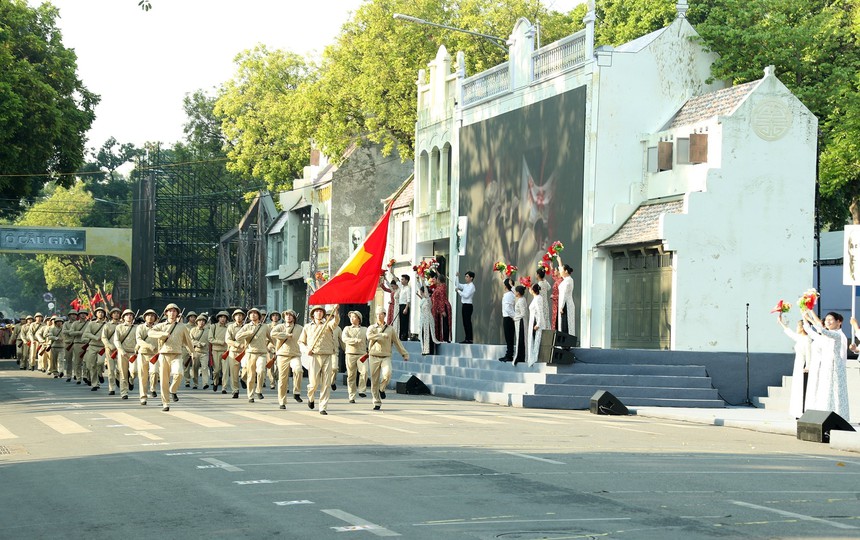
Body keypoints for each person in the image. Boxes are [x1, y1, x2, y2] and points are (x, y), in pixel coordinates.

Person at [802, 310, 850, 421]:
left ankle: (840, 417)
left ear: (838, 322)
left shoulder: (838, 335)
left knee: (837, 393)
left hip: (836, 368)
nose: (827, 322)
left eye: (830, 320)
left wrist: (809, 317)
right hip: (826, 366)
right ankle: (826, 415)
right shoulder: (826, 336)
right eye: (826, 320)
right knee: (826, 392)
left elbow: (822, 330)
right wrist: (804, 316)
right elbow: (810, 331)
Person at [148, 303, 195, 411]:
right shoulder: (161, 326)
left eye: (174, 311)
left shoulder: (182, 327)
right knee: (164, 380)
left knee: (179, 373)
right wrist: (162, 334)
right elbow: (150, 332)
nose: (172, 313)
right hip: (163, 355)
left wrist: (193, 352)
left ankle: (173, 390)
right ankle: (166, 403)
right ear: (166, 313)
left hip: (177, 354)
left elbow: (188, 341)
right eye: (170, 311)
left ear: (177, 314)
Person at [298, 305, 340, 415]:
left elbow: (335, 322)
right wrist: (306, 350)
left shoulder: (328, 325)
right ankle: (310, 397)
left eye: (321, 311)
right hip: (314, 356)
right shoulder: (307, 327)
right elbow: (301, 342)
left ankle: (323, 407)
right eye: (316, 311)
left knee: (326, 383)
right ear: (313, 314)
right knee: (313, 383)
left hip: (327, 355)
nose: (319, 313)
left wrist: (335, 312)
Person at [366, 306, 409, 410]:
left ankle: (382, 388)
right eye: (377, 314)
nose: (379, 316)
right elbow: (369, 336)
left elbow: (397, 342)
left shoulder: (390, 329)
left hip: (386, 356)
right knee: (374, 380)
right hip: (374, 356)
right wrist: (381, 336)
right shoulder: (372, 328)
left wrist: (404, 354)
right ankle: (376, 402)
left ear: (385, 315)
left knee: (387, 373)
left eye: (381, 314)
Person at [235, 307, 272, 403]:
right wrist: (248, 333)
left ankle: (259, 390)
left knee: (261, 371)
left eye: (255, 313)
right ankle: (250, 395)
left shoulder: (265, 326)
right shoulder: (246, 326)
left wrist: (277, 347)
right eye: (251, 313)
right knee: (251, 376)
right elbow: (237, 336)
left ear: (259, 315)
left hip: (262, 353)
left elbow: (272, 338)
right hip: (250, 353)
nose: (253, 315)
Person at [777, 315, 811, 419]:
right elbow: (790, 333)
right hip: (798, 364)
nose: (796, 328)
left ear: (802, 328)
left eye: (797, 326)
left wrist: (808, 366)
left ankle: (802, 411)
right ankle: (797, 411)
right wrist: (781, 322)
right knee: (797, 388)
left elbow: (809, 354)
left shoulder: (807, 339)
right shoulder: (800, 338)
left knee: (801, 388)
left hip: (803, 365)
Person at [270, 309, 304, 409]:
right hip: (282, 355)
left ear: (294, 317)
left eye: (290, 315)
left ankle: (296, 392)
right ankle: (282, 401)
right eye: (286, 315)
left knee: (298, 370)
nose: (288, 317)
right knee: (283, 379)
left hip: (295, 354)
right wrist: (286, 335)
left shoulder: (300, 328)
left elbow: (306, 337)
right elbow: (273, 334)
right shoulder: (279, 327)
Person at [340, 310, 368, 402]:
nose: (352, 319)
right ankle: (351, 395)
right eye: (351, 317)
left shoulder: (365, 329)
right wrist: (355, 340)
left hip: (362, 354)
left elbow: (370, 339)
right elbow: (344, 339)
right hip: (350, 354)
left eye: (354, 317)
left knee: (364, 371)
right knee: (351, 375)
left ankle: (362, 390)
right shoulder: (347, 328)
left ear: (359, 319)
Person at [135, 309, 159, 405]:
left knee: (154, 371)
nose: (150, 317)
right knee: (143, 377)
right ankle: (143, 397)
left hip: (154, 355)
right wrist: (149, 346)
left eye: (152, 315)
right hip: (143, 354)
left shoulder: (158, 328)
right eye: (148, 315)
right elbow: (139, 340)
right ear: (144, 317)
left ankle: (153, 388)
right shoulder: (140, 327)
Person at [113, 309, 138, 400]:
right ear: (123, 317)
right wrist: (121, 351)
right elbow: (116, 340)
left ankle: (131, 380)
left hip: (133, 353)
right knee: (123, 374)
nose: (129, 316)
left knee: (134, 371)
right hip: (122, 353)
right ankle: (124, 392)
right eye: (127, 315)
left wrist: (137, 349)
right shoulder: (119, 327)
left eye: (131, 315)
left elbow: (138, 340)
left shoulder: (137, 328)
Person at [82, 307, 107, 391]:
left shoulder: (107, 324)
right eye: (99, 312)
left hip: (102, 347)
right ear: (96, 314)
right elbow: (86, 333)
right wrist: (95, 337)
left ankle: (100, 374)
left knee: (100, 362)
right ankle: (95, 384)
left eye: (102, 312)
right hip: (92, 346)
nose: (101, 313)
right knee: (92, 365)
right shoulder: (91, 324)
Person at [224, 309, 247, 399]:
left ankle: (243, 379)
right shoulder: (230, 327)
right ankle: (235, 390)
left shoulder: (247, 326)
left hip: (245, 351)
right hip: (233, 351)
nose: (239, 317)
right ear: (234, 317)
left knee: (247, 367)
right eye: (237, 315)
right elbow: (227, 340)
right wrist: (237, 344)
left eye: (240, 315)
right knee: (234, 372)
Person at [416, 277, 441, 355]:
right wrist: (418, 280)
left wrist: (423, 281)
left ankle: (429, 350)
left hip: (428, 318)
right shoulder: (423, 299)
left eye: (421, 292)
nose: (421, 293)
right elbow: (421, 289)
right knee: (424, 334)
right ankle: (424, 349)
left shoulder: (429, 299)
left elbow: (425, 291)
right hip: (423, 318)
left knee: (429, 334)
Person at [527, 283, 550, 366]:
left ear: (533, 290)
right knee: (533, 339)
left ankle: (535, 358)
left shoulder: (538, 299)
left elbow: (540, 311)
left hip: (536, 321)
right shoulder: (536, 298)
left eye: (530, 288)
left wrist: (538, 323)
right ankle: (533, 357)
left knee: (537, 339)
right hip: (533, 320)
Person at [101, 307, 122, 395]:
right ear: (111, 315)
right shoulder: (107, 325)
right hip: (110, 350)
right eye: (114, 313)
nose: (116, 314)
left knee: (120, 369)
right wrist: (110, 346)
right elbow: (104, 337)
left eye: (118, 313)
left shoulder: (122, 325)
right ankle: (112, 388)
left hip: (120, 350)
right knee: (111, 370)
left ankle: (118, 379)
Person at [208, 310, 230, 393]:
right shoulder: (214, 326)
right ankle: (215, 382)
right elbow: (210, 339)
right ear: (218, 318)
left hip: (226, 351)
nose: (223, 319)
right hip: (216, 351)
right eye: (221, 317)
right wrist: (220, 342)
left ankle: (224, 387)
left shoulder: (229, 327)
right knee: (216, 370)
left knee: (225, 370)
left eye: (224, 317)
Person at [428, 271, 452, 342]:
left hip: (443, 306)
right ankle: (439, 337)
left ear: (438, 280)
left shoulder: (442, 287)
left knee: (444, 323)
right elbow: (442, 277)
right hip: (438, 307)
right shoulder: (440, 286)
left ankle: (445, 338)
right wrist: (436, 270)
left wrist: (442, 310)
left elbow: (441, 299)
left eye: (436, 279)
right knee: (440, 323)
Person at [189, 314, 210, 390]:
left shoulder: (208, 330)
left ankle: (205, 383)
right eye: (200, 321)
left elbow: (210, 339)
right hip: (195, 352)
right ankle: (195, 383)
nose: (202, 322)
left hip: (205, 352)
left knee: (205, 368)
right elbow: (190, 340)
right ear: (197, 322)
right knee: (195, 368)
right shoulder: (193, 330)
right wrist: (199, 344)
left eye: (203, 321)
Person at [454, 271, 476, 343]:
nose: (465, 278)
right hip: (464, 305)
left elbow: (466, 295)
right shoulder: (466, 285)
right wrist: (457, 277)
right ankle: (467, 338)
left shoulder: (472, 287)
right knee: (465, 322)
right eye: (465, 276)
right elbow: (457, 285)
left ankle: (470, 338)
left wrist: (459, 291)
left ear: (471, 278)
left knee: (467, 322)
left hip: (468, 305)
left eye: (467, 277)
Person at [557, 263, 576, 336]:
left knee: (565, 324)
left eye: (562, 270)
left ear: (566, 271)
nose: (560, 272)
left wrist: (561, 306)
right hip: (564, 303)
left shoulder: (568, 281)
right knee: (563, 324)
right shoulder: (566, 280)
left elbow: (564, 294)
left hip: (566, 304)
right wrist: (559, 261)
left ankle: (565, 344)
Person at [499, 278, 515, 362]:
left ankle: (509, 355)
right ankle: (509, 354)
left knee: (508, 337)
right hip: (510, 318)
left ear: (505, 286)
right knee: (510, 338)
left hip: (508, 318)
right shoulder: (512, 294)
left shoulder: (508, 295)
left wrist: (514, 316)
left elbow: (508, 308)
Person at [512, 285, 528, 365]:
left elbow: (523, 313)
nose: (514, 292)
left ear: (518, 292)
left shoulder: (521, 300)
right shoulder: (521, 299)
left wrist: (515, 317)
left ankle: (520, 357)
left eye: (515, 291)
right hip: (518, 322)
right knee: (520, 339)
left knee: (520, 339)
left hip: (520, 322)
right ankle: (520, 356)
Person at [398, 274, 411, 341]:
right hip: (400, 305)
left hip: (405, 306)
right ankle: (401, 336)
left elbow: (408, 299)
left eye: (402, 279)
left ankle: (404, 336)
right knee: (401, 322)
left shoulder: (408, 288)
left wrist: (406, 308)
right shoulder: (402, 287)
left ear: (406, 280)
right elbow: (397, 281)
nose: (401, 281)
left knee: (404, 322)